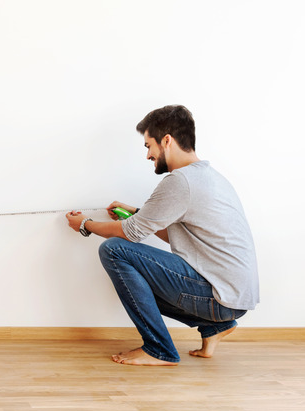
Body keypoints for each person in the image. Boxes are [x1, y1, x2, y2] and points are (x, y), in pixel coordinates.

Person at [65, 105, 259, 366]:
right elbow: (175, 236)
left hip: (219, 296)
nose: (148, 155)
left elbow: (131, 233)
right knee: (136, 275)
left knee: (113, 249)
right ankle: (213, 328)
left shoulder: (181, 181)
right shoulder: (207, 176)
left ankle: (159, 349)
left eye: (149, 146)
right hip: (231, 298)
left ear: (166, 140)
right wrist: (134, 212)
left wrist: (85, 224)